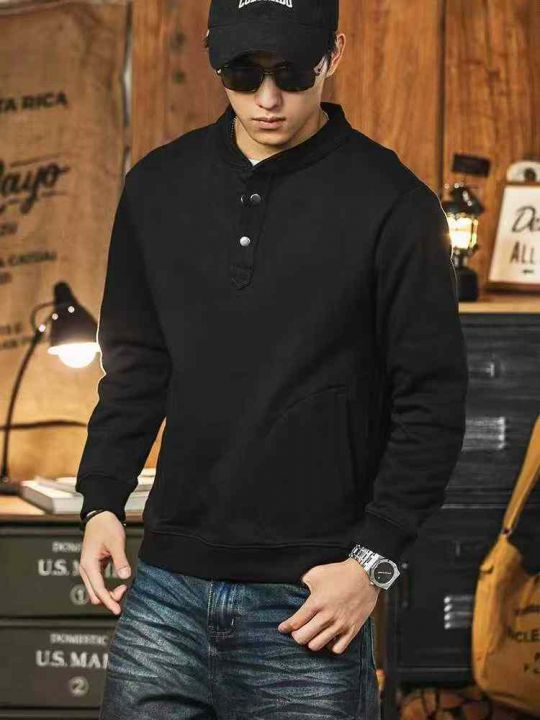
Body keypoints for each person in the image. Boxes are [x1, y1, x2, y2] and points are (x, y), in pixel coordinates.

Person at [76, 0, 469, 717]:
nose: (267, 98)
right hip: (163, 593)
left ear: (334, 54)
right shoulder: (157, 186)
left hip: (307, 602)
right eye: (242, 73)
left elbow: (432, 402)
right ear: (212, 54)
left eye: (292, 73)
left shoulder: (394, 204)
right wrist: (101, 500)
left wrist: (372, 565)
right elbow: (136, 366)